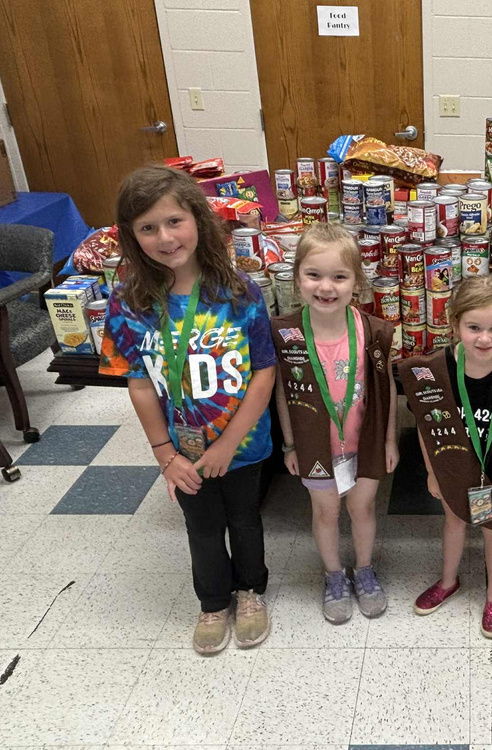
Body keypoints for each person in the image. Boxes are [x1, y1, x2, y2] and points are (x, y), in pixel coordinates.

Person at [100, 165, 276, 654]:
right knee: (200, 526)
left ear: (198, 220)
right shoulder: (128, 302)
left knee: (244, 519)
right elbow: (137, 382)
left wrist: (227, 443)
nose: (165, 237)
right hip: (181, 449)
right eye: (148, 227)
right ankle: (213, 602)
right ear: (132, 237)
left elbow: (264, 372)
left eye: (174, 221)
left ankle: (251, 592)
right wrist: (164, 454)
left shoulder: (240, 292)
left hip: (243, 443)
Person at [399, 275, 492, 639]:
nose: (484, 338)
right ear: (454, 324)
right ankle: (448, 581)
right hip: (453, 470)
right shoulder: (439, 369)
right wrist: (432, 473)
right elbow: (425, 427)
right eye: (473, 327)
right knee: (453, 523)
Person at [272, 223, 398, 624]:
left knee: (362, 508)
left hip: (365, 443)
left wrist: (391, 439)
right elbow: (281, 392)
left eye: (339, 277)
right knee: (325, 511)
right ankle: (333, 576)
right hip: (315, 445)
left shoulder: (374, 332)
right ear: (297, 279)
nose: (326, 287)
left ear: (356, 283)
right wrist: (290, 444)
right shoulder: (286, 334)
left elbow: (387, 390)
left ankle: (363, 569)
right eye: (314, 275)